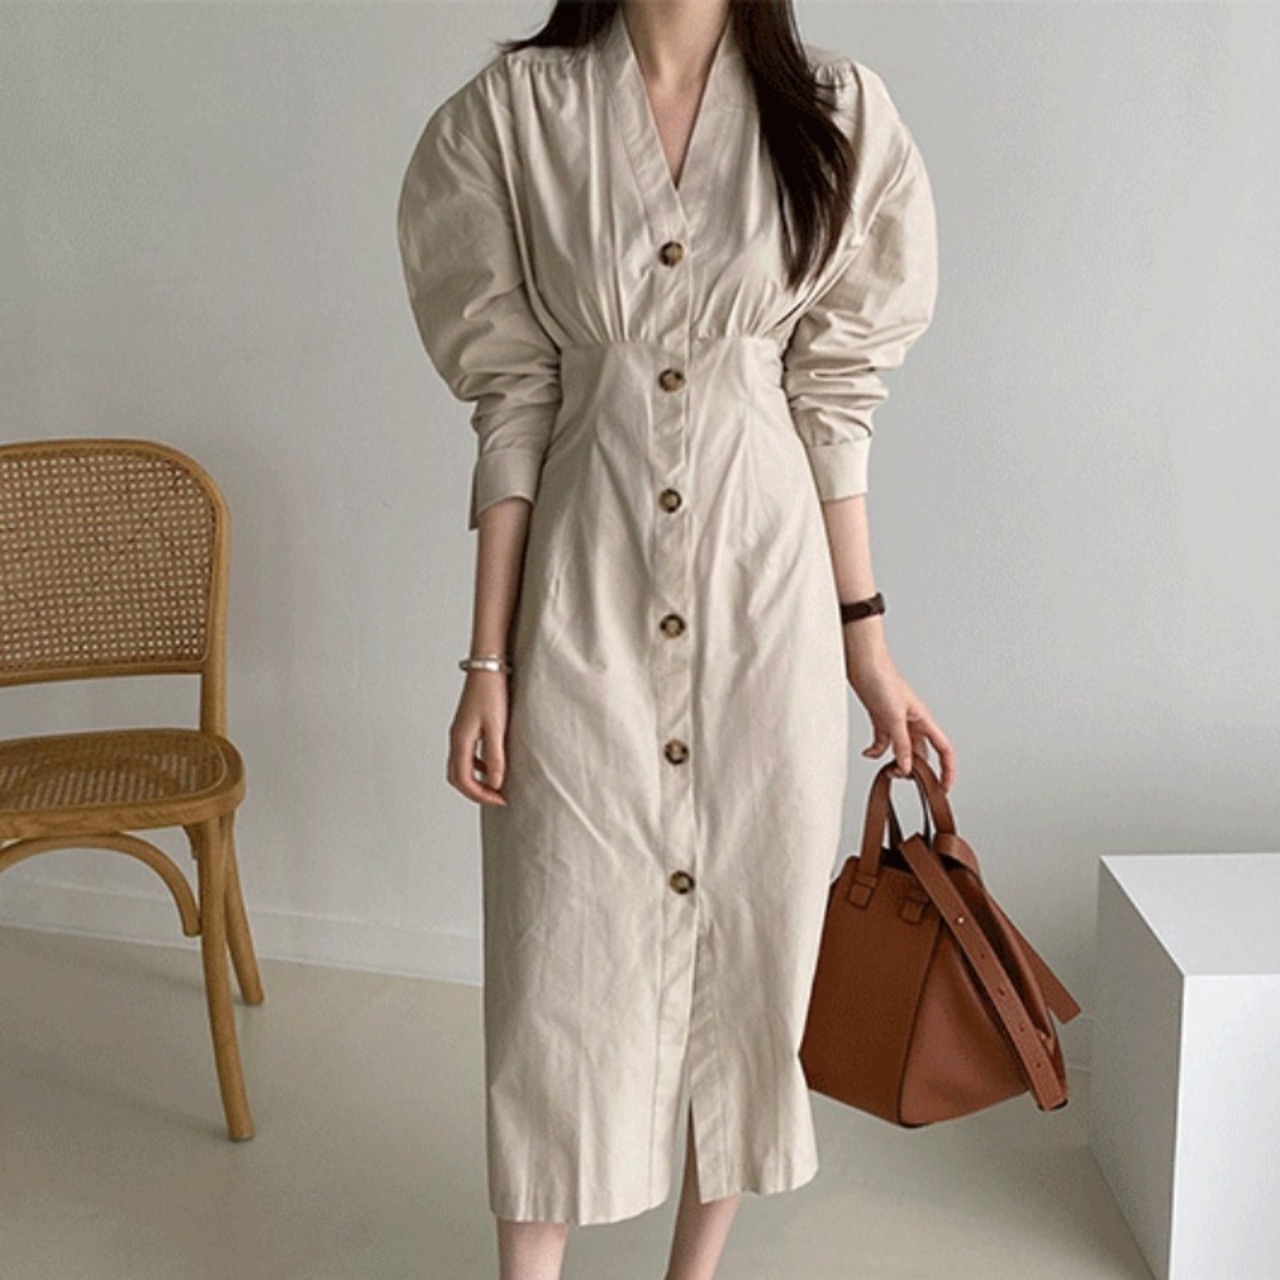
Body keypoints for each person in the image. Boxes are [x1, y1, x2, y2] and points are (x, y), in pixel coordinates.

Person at [396, 1, 955, 1276]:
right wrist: (485, 662)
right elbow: (513, 400)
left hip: (768, 608)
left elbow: (831, 400)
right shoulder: (512, 119)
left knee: (753, 958)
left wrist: (865, 646)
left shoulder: (838, 115)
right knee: (556, 968)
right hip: (579, 603)